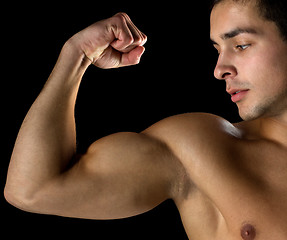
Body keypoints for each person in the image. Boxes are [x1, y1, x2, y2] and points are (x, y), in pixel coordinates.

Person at [4, 0, 287, 239]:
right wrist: (76, 54)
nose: (220, 69)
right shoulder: (201, 148)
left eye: (241, 45)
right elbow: (32, 189)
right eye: (217, 50)